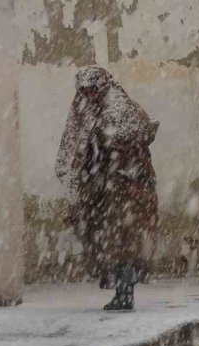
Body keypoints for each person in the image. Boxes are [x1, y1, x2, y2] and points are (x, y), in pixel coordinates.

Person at [56, 66, 159, 311]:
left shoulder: (118, 108)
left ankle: (125, 293)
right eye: (84, 91)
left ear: (101, 87)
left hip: (126, 189)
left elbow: (130, 141)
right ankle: (121, 290)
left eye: (92, 90)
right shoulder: (91, 110)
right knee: (108, 239)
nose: (88, 96)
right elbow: (81, 147)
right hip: (105, 190)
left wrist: (111, 166)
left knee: (123, 241)